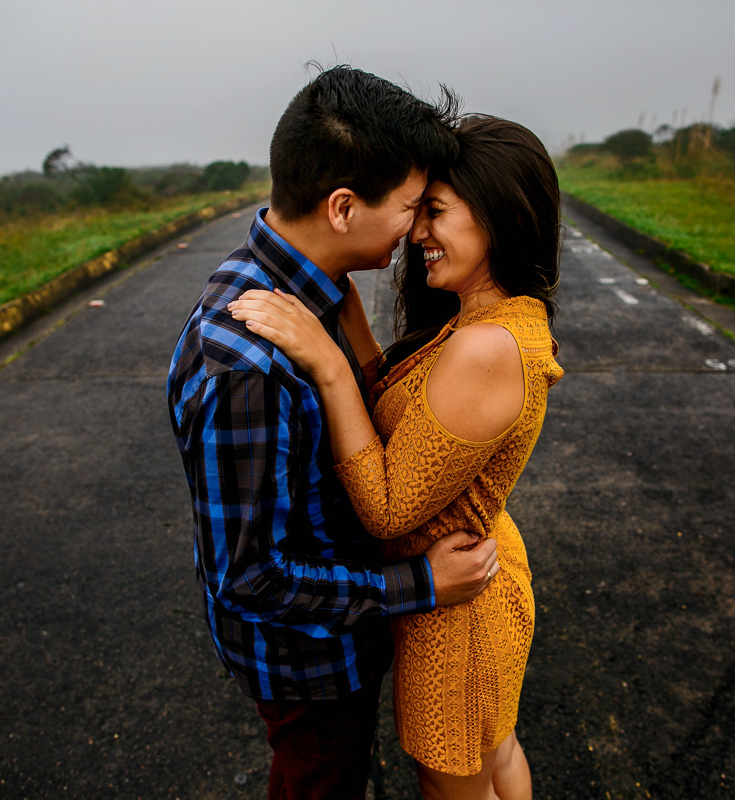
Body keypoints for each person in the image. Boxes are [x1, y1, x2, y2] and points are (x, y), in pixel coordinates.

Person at [165, 67, 500, 800]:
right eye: (412, 208)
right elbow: (251, 577)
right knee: (321, 782)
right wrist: (419, 584)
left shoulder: (307, 289)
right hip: (307, 664)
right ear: (343, 207)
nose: (418, 230)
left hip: (335, 640)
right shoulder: (245, 366)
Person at [228, 114, 564, 800]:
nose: (417, 234)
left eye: (434, 212)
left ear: (498, 215)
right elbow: (413, 415)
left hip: (457, 615)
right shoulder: (487, 318)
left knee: (456, 784)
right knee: (496, 757)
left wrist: (326, 362)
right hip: (479, 573)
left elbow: (386, 508)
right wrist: (336, 286)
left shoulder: (485, 348)